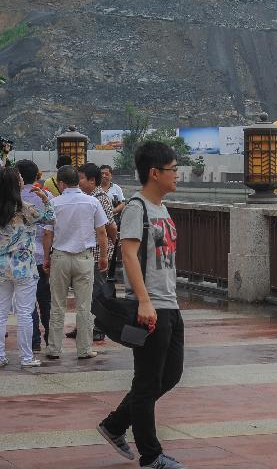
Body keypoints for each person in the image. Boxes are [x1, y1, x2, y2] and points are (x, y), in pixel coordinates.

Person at [98, 141, 185, 469]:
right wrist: (145, 301)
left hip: (169, 304)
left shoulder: (161, 207)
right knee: (147, 382)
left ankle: (116, 424)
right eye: (173, 169)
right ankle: (151, 456)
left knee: (171, 373)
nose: (177, 175)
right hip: (150, 306)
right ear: (154, 173)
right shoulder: (137, 207)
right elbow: (129, 253)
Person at [0, 167, 54, 367]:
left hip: (1, 264)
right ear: (17, 184)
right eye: (21, 178)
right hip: (24, 265)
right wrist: (46, 198)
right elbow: (50, 218)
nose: (23, 180)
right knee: (24, 312)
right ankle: (26, 357)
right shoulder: (27, 208)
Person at [43, 165, 109, 360]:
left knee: (57, 305)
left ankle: (54, 349)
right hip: (84, 258)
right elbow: (102, 233)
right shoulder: (92, 202)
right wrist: (103, 256)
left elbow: (48, 234)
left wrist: (46, 258)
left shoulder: (54, 203)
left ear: (62, 183)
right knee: (84, 306)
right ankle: (84, 349)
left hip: (61, 257)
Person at [66, 162, 118, 343]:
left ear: (92, 180)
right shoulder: (85, 197)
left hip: (98, 255)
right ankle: (83, 326)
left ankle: (98, 327)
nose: (78, 182)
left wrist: (109, 251)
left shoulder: (101, 198)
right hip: (86, 253)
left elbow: (110, 227)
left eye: (81, 178)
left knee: (98, 293)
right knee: (83, 293)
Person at [16, 159, 54, 351]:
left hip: (22, 258)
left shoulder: (14, 198)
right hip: (42, 255)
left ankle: (34, 340)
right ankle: (51, 336)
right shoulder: (45, 195)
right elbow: (50, 226)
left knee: (27, 301)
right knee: (45, 299)